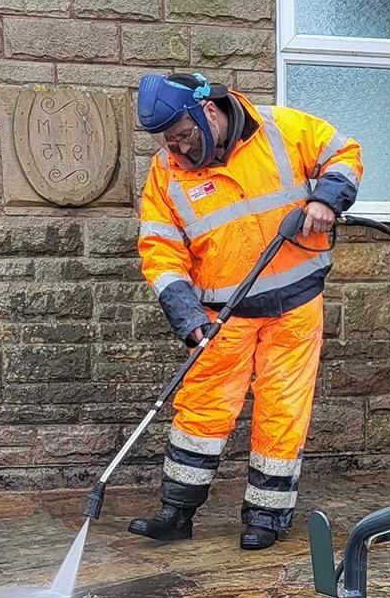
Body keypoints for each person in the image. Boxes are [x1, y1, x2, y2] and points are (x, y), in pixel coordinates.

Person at [132, 71, 363, 549]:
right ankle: (176, 513)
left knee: (282, 409)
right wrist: (186, 316)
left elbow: (344, 152)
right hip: (220, 316)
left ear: (208, 112)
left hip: (295, 304)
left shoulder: (281, 128)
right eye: (169, 141)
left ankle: (266, 517)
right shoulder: (166, 172)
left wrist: (327, 198)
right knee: (201, 409)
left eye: (184, 135)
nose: (178, 148)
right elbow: (160, 249)